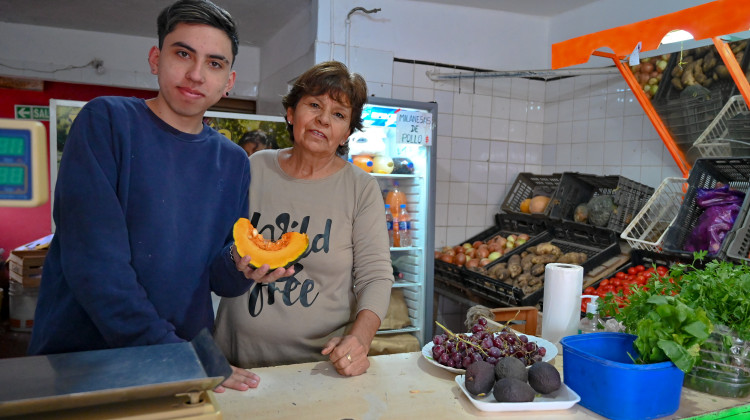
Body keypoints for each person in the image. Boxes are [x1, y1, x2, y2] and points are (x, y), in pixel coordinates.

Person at [27, 0, 293, 392]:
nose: (196, 74)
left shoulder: (234, 160)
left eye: (214, 64)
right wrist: (178, 356)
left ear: (229, 82)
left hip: (181, 365)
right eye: (183, 54)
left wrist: (242, 264)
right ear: (155, 59)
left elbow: (222, 279)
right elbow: (95, 268)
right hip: (85, 360)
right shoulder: (106, 122)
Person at [213, 61, 394, 377]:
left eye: (338, 114)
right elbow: (221, 246)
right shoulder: (255, 166)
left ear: (346, 134)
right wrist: (233, 258)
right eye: (314, 105)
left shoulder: (361, 188)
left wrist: (360, 338)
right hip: (235, 358)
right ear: (290, 113)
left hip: (319, 367)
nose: (323, 119)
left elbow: (375, 275)